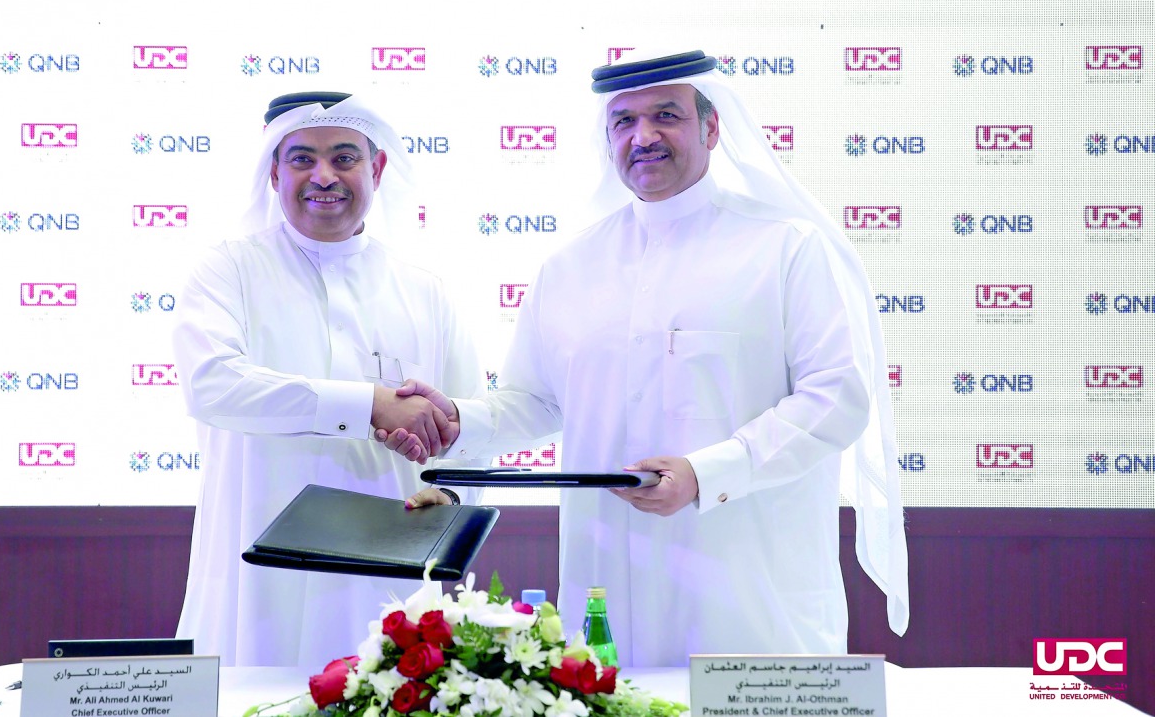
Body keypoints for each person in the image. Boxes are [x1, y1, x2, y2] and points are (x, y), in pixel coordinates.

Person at [380, 50, 909, 667]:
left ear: (711, 128)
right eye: (624, 121)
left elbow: (836, 400)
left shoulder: (787, 248)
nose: (644, 136)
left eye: (666, 115)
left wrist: (706, 473)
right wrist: (457, 423)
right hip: (608, 574)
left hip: (745, 585)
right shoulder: (571, 266)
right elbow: (536, 400)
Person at [172, 91, 483, 667]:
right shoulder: (228, 270)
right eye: (301, 159)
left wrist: (452, 496)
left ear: (377, 169)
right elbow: (214, 385)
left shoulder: (425, 291)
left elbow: (472, 423)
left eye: (344, 157)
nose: (324, 176)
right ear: (273, 173)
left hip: (390, 563)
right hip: (258, 566)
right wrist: (371, 406)